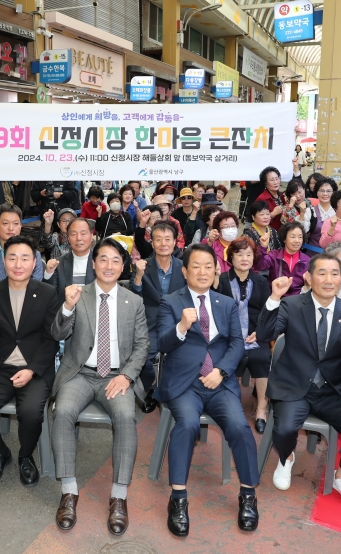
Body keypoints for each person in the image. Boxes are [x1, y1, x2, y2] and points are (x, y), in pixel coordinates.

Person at [257, 253, 341, 510]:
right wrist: (275, 297)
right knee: (285, 429)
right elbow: (265, 334)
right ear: (309, 277)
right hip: (294, 385)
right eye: (322, 273)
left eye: (335, 273)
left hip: (330, 389)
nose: (329, 279)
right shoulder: (291, 305)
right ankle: (286, 458)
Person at [156, 244, 259, 536]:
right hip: (185, 383)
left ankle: (248, 495)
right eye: (196, 266)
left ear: (216, 271)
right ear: (185, 271)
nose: (202, 271)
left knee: (240, 426)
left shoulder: (227, 304)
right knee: (187, 424)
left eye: (208, 266)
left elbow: (237, 344)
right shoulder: (170, 302)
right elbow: (162, 344)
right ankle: (178, 498)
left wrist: (222, 372)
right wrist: (181, 326)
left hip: (219, 381)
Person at [49, 238, 149, 536]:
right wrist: (67, 306)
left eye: (115, 260)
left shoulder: (135, 301)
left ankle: (119, 497)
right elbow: (57, 333)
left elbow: (143, 345)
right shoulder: (78, 295)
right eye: (102, 259)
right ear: (93, 264)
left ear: (123, 266)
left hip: (116, 375)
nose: (108, 265)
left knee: (125, 417)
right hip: (80, 373)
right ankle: (69, 491)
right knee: (63, 410)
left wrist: (127, 376)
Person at [0, 236, 59, 487]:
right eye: (12, 257)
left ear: (34, 262)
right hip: (0, 366)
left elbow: (51, 340)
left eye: (25, 258)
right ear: (3, 261)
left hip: (35, 368)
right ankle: (0, 453)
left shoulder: (48, 293)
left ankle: (26, 456)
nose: (18, 264)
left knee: (30, 412)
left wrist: (31, 370)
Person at [216, 237, 272, 433]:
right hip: (229, 336)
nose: (244, 258)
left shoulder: (261, 282)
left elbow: (267, 312)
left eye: (249, 254)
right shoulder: (221, 280)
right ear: (231, 257)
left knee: (262, 357)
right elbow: (217, 314)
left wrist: (259, 332)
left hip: (255, 334)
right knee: (232, 358)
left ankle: (261, 410)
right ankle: (231, 407)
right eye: (239, 254)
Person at [131, 221, 187, 412]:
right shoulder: (143, 266)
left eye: (167, 239)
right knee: (145, 358)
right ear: (152, 243)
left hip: (179, 322)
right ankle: (149, 389)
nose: (163, 243)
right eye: (158, 239)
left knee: (184, 357)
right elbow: (134, 297)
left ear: (175, 242)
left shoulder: (184, 267)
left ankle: (175, 391)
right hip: (151, 322)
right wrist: (138, 275)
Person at [44, 218, 95, 303]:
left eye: (83, 233)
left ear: (91, 236)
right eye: (74, 234)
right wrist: (48, 273)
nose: (79, 238)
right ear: (68, 238)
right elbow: (49, 295)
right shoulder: (58, 263)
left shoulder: (101, 262)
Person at [259, 222, 310, 296]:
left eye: (300, 237)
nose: (297, 240)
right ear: (284, 239)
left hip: (298, 301)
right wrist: (263, 247)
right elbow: (260, 266)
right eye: (292, 237)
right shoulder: (273, 255)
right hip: (275, 298)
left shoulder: (308, 261)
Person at [254, 166, 288, 233]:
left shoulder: (281, 195)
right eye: (272, 180)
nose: (276, 182)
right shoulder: (261, 198)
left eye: (277, 178)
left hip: (282, 233)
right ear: (265, 183)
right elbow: (257, 221)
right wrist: (272, 214)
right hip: (269, 234)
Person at [307, 177, 338, 247]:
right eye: (321, 191)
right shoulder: (310, 211)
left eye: (329, 191)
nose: (325, 194)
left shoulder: (339, 211)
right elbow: (304, 230)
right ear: (317, 193)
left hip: (334, 253)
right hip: (314, 252)